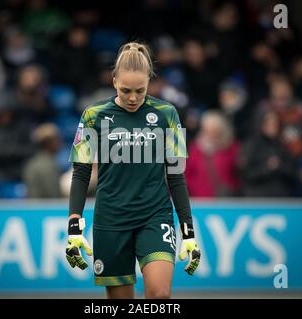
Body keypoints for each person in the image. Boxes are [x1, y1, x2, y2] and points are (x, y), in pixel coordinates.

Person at [65, 42, 201, 299]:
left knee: (159, 296)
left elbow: (176, 175)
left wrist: (188, 230)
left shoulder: (167, 113)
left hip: (155, 215)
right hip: (110, 220)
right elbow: (81, 173)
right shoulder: (93, 115)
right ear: (113, 80)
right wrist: (74, 224)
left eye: (140, 90)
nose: (132, 98)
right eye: (125, 89)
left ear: (150, 82)